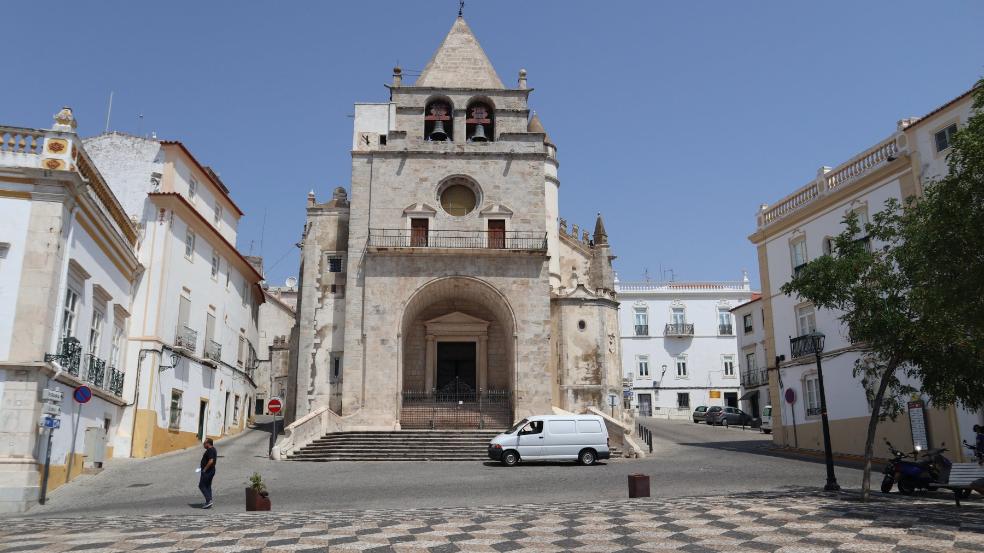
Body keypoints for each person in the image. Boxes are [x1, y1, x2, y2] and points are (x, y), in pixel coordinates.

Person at [198, 438, 217, 508]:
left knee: (201, 485)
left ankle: (209, 500)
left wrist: (204, 469)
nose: (203, 445)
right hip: (210, 470)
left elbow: (211, 461)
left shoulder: (210, 450)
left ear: (208, 444)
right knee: (208, 486)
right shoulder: (212, 449)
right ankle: (209, 501)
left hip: (208, 471)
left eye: (204, 443)